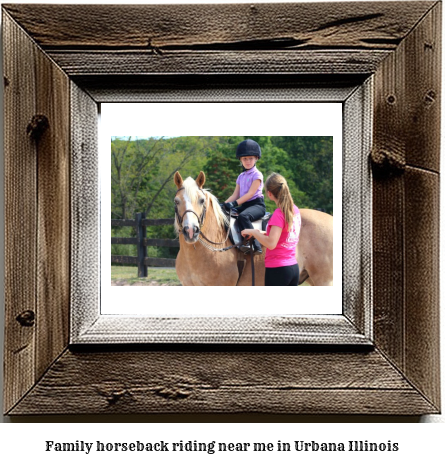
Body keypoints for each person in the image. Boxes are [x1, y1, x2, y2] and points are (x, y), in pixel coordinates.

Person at [241, 172, 301, 286]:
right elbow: (285, 233)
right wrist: (262, 232)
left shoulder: (279, 214)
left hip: (278, 269)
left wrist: (252, 231)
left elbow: (271, 244)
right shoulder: (294, 210)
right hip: (293, 268)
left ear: (269, 193)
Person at [223, 139, 266, 255]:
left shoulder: (257, 175)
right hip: (245, 205)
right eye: (245, 159)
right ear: (240, 160)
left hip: (257, 205)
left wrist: (235, 204)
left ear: (256, 158)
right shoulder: (241, 176)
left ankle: (255, 244)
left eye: (250, 158)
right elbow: (235, 194)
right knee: (226, 214)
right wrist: (223, 204)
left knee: (243, 216)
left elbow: (250, 194)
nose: (248, 161)